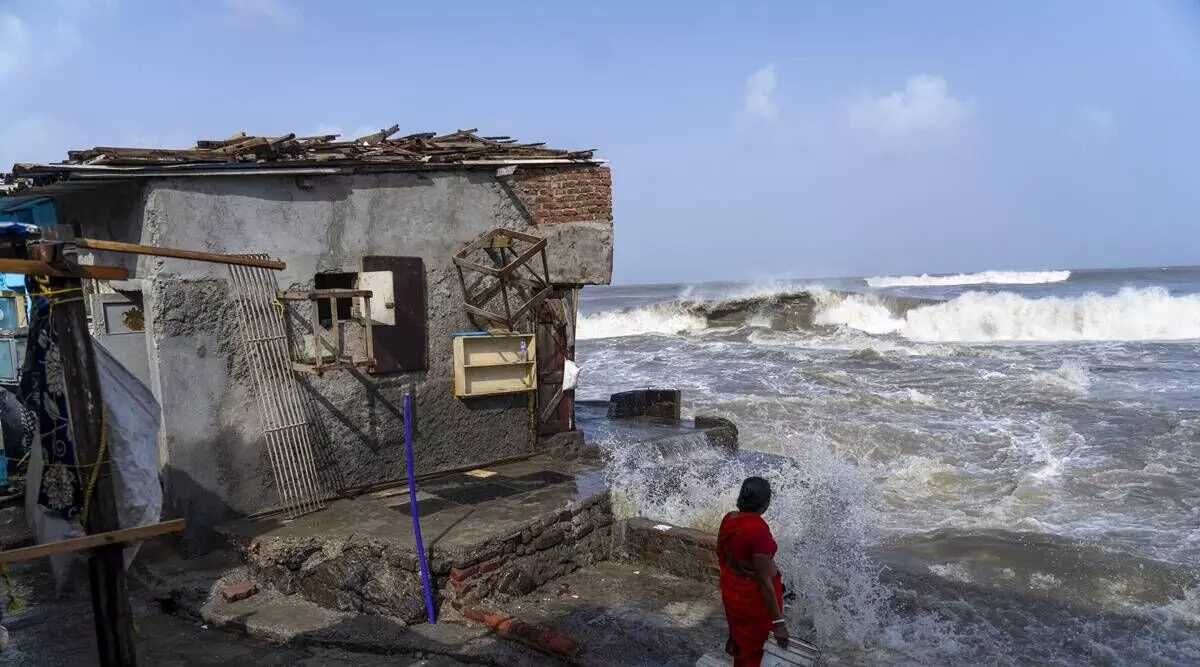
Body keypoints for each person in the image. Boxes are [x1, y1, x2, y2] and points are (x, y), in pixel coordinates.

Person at [718, 476, 787, 667]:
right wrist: (778, 623)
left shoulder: (730, 518)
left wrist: (742, 570)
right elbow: (765, 582)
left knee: (743, 644)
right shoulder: (759, 531)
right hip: (754, 600)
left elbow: (721, 551)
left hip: (734, 591)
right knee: (756, 651)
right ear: (765, 503)